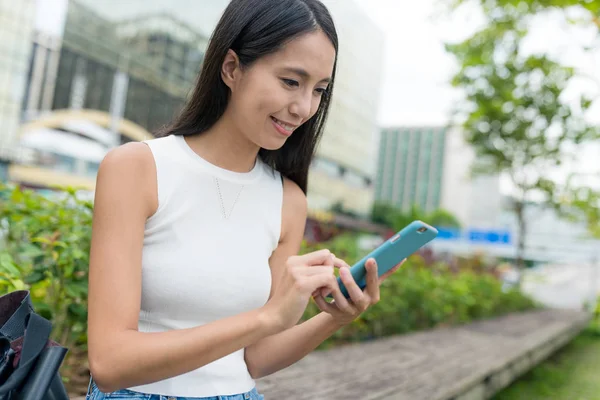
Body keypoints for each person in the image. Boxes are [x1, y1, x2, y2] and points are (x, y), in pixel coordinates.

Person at [86, 0, 402, 399]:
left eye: (319, 90)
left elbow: (253, 360)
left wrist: (334, 319)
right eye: (291, 81)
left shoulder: (288, 200)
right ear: (232, 67)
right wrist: (268, 317)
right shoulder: (137, 168)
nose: (304, 108)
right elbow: (110, 363)